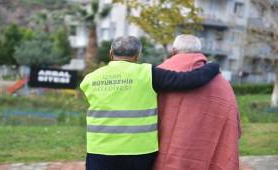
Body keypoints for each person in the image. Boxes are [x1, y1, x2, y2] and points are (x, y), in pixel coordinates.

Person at [80, 36, 220, 170]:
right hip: (139, 151)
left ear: (111, 53)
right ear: (137, 55)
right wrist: (213, 66)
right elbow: (190, 80)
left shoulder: (90, 79)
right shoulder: (148, 74)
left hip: (100, 150)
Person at [153, 35, 241, 170]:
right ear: (199, 52)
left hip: (161, 153)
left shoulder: (158, 73)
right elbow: (232, 121)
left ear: (174, 51)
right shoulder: (221, 83)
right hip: (203, 156)